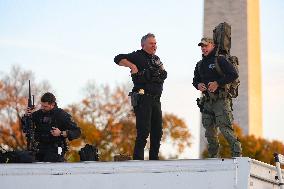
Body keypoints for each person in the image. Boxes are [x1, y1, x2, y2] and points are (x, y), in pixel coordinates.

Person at [114, 33, 167, 160]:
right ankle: (138, 160)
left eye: (155, 43)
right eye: (151, 43)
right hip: (143, 98)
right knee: (144, 131)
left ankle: (154, 159)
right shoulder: (137, 56)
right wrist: (132, 66)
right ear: (143, 45)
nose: (154, 45)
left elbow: (163, 74)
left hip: (156, 99)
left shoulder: (157, 59)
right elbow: (117, 58)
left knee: (157, 132)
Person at [193, 37, 242, 158]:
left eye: (206, 46)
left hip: (221, 100)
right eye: (202, 46)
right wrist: (198, 85)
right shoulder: (200, 64)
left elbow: (233, 74)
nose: (203, 48)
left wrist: (218, 83)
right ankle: (213, 156)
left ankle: (237, 154)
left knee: (225, 128)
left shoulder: (220, 60)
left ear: (212, 46)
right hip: (207, 102)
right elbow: (195, 81)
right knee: (209, 131)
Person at [22, 92, 81, 162]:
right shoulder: (38, 114)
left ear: (52, 104)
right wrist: (26, 115)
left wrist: (61, 133)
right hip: (39, 149)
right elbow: (26, 127)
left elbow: (77, 132)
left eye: (45, 106)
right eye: (41, 105)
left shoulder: (61, 115)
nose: (42, 108)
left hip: (56, 150)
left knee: (50, 164)